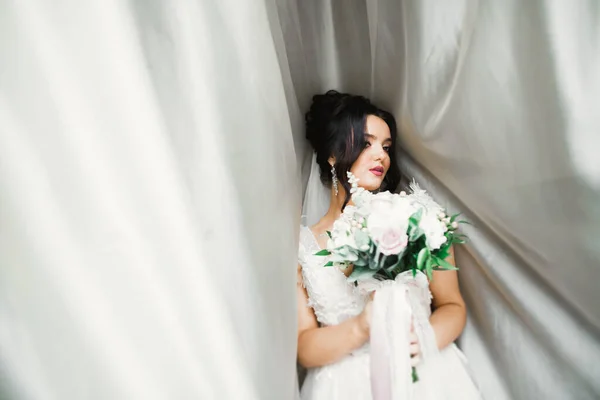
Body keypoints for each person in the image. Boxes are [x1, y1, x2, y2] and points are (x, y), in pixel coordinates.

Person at [296, 90, 480, 399]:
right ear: (331, 153)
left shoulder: (419, 217)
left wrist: (425, 338)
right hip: (345, 386)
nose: (381, 155)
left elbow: (453, 305)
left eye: (386, 146)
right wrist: (362, 326)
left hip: (423, 374)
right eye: (366, 143)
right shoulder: (304, 246)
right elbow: (305, 346)